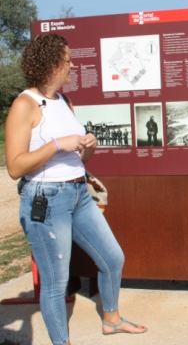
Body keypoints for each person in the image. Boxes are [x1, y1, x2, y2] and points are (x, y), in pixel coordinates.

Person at [5, 34, 147, 344]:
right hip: (45, 199)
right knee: (56, 283)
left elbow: (78, 156)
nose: (73, 64)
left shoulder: (65, 102)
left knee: (112, 258)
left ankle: (111, 319)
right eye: (68, 59)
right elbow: (15, 166)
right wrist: (57, 145)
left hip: (79, 194)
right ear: (52, 64)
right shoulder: (25, 104)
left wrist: (87, 147)